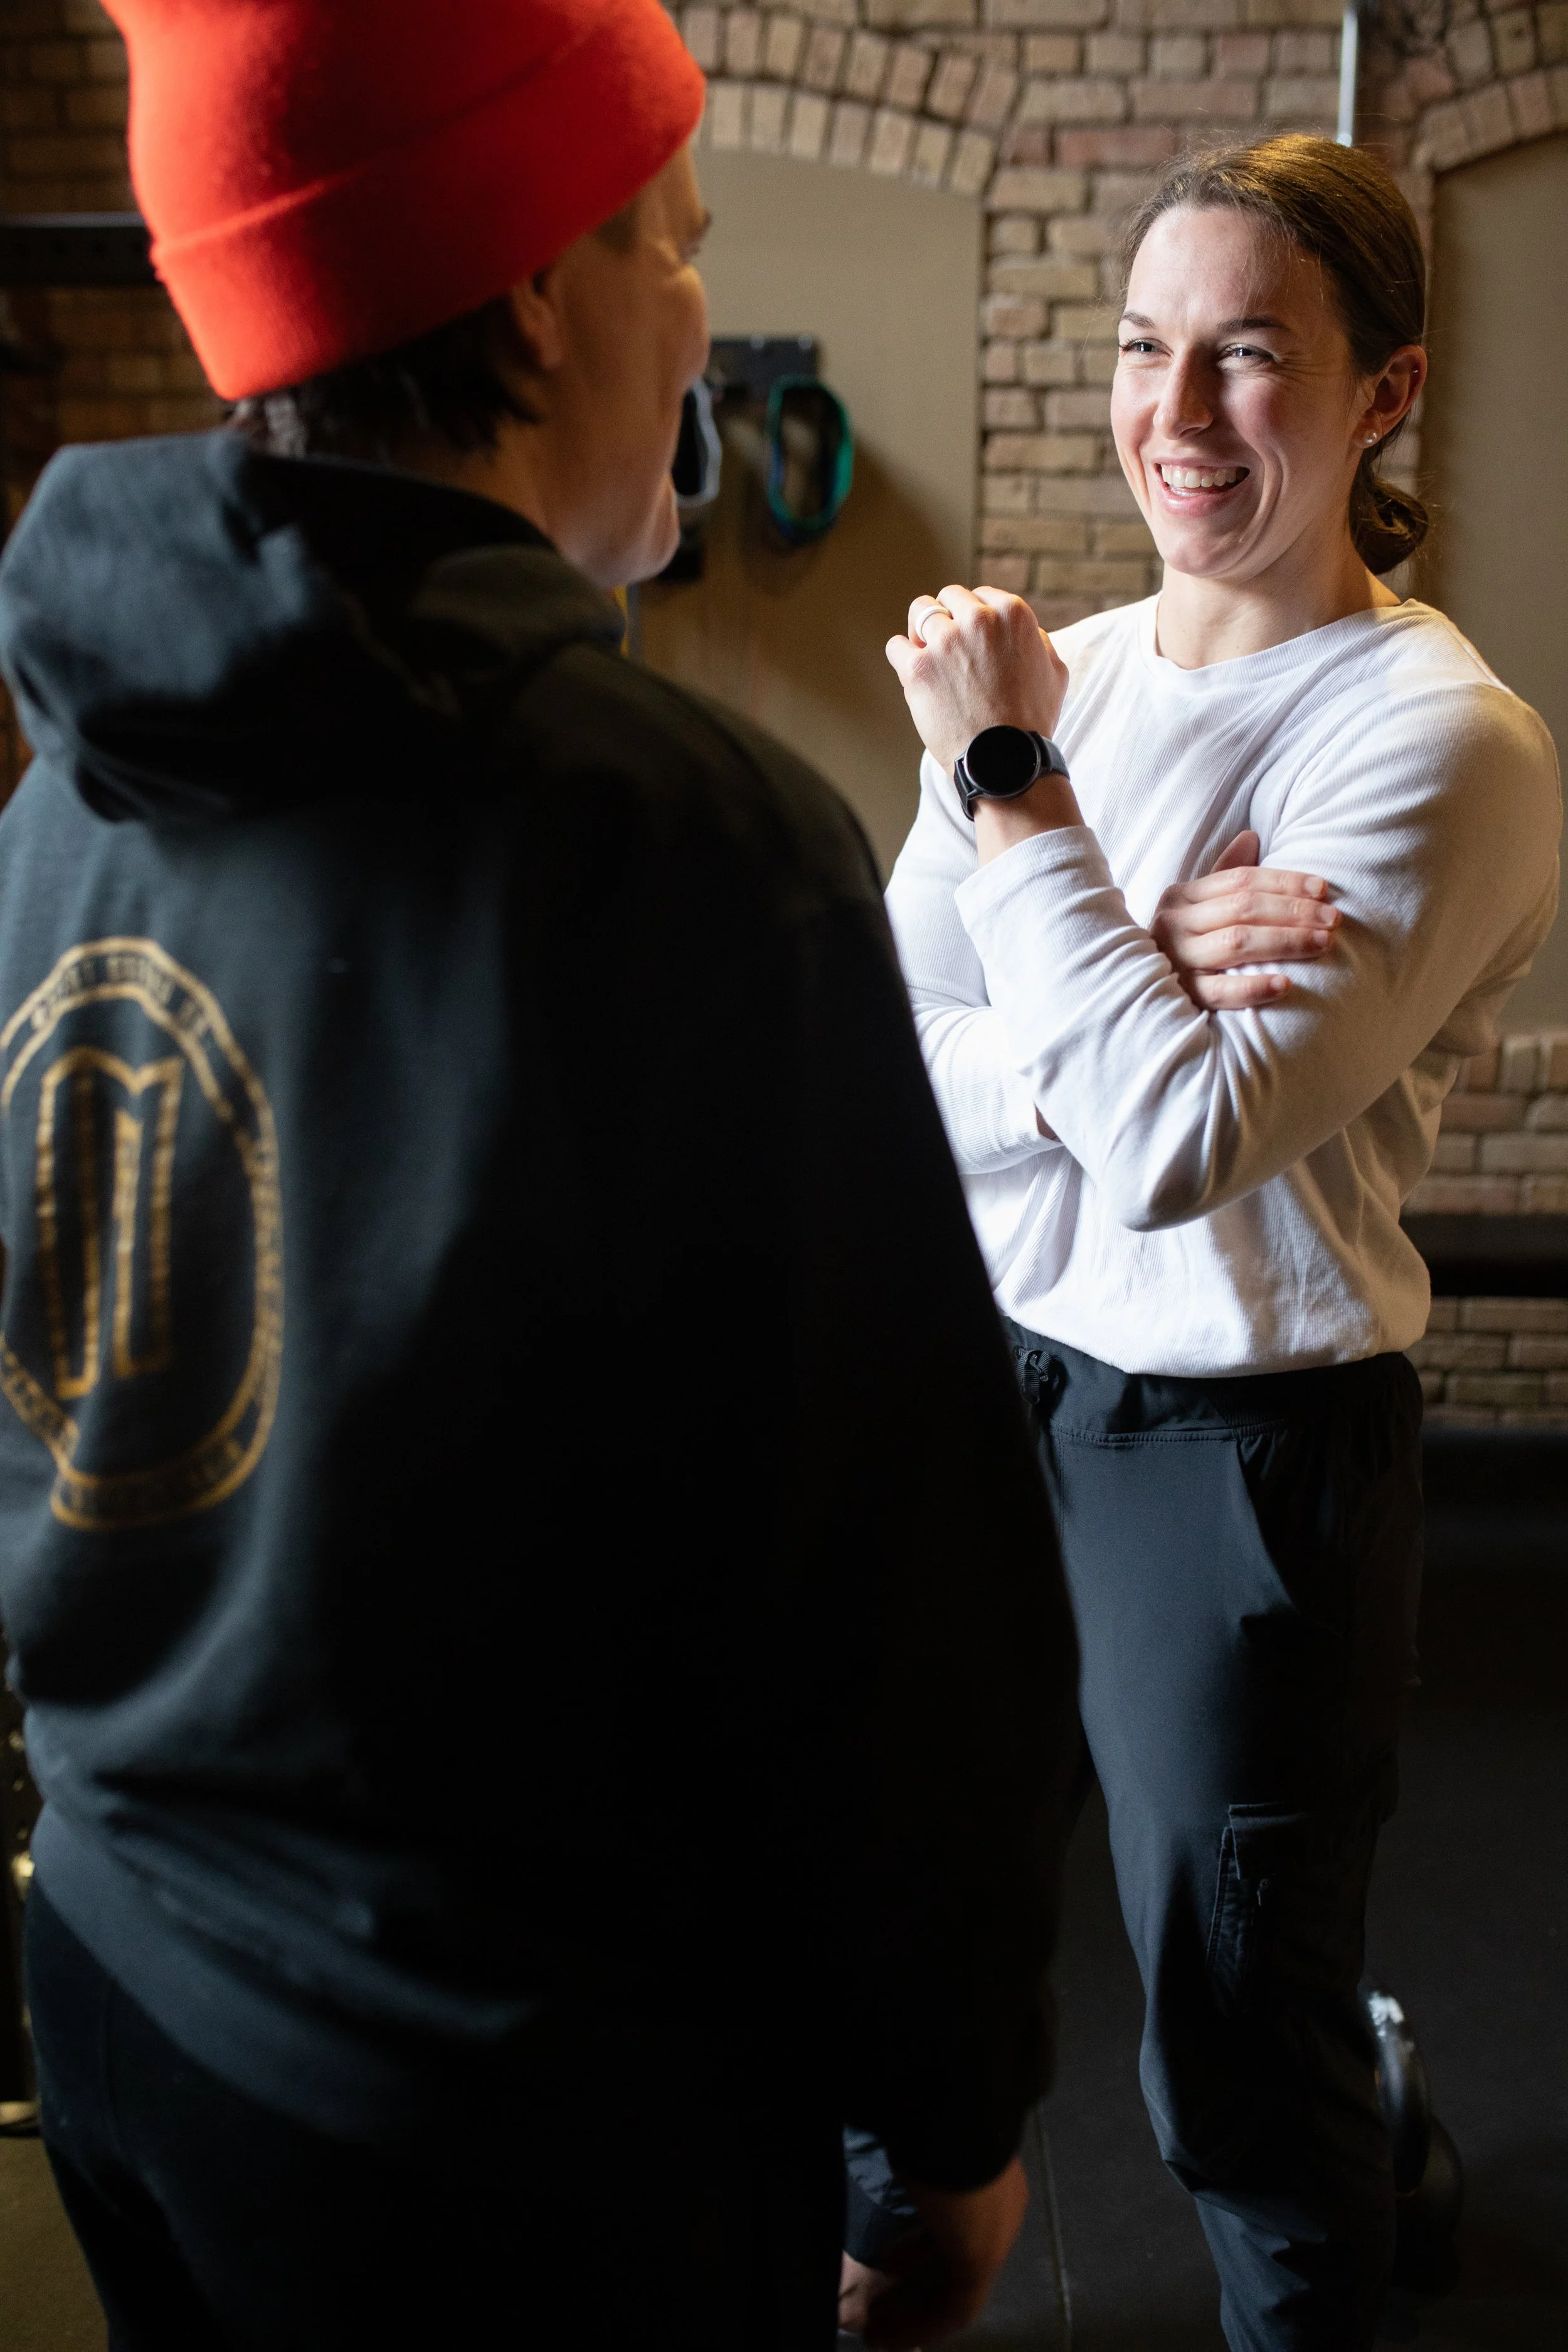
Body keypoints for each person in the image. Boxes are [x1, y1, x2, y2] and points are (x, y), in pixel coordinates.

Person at [0, 3, 1081, 2345]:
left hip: (113, 1973)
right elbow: (892, 1597)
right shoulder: (679, 846)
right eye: (675, 242)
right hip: (497, 2112)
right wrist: (950, 2126)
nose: (700, 313)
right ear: (528, 291)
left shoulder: (62, 795)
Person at [879, 135, 1560, 2352]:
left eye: (1250, 355)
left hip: (1241, 1447)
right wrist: (1133, 925)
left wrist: (1010, 809)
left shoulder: (1432, 737)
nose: (1177, 413)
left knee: (1236, 2055)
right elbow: (897, 1068)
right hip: (995, 1390)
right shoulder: (1053, 685)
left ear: (1383, 395)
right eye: (1146, 350)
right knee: (914, 1957)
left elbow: (1176, 1136)